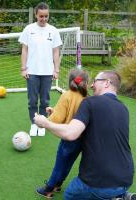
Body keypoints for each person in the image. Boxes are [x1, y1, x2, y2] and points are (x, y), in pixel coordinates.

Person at [34, 71, 136, 200]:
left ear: (106, 83)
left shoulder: (88, 101)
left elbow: (70, 132)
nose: (92, 85)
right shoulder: (123, 109)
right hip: (126, 179)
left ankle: (50, 187)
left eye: (95, 81)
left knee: (69, 189)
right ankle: (120, 195)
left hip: (95, 178)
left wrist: (45, 122)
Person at [36, 69, 89, 198]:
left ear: (70, 81)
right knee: (69, 162)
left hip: (68, 138)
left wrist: (46, 118)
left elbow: (57, 119)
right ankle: (58, 184)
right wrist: (54, 110)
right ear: (86, 83)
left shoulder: (67, 95)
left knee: (60, 162)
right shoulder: (87, 98)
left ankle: (48, 188)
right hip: (81, 138)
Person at [18, 2, 62, 137]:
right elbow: (24, 50)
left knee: (45, 101)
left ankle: (41, 124)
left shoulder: (53, 31)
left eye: (46, 16)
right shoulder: (29, 29)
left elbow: (56, 52)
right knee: (32, 100)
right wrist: (23, 69)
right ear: (36, 15)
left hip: (48, 72)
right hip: (32, 72)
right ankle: (33, 123)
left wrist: (56, 70)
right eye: (41, 16)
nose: (43, 19)